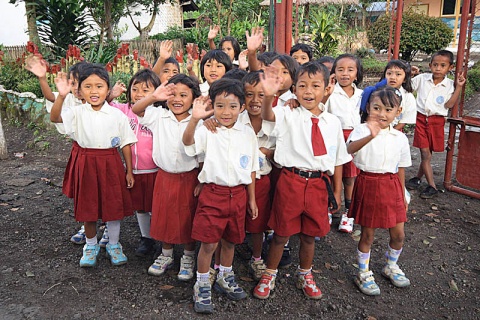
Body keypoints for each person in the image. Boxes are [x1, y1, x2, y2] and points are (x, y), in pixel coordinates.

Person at [253, 61, 351, 300]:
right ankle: (270, 273)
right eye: (303, 86)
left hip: (319, 184)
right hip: (291, 181)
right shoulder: (288, 113)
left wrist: (337, 192)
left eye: (315, 86)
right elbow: (268, 116)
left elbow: (338, 159)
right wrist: (268, 97)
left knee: (309, 235)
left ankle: (305, 273)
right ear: (294, 89)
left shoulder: (333, 123)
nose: (309, 91)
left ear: (328, 88)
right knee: (281, 233)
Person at [183, 78, 259, 314]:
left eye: (233, 106)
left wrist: (252, 199)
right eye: (220, 106)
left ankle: (225, 275)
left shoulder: (247, 133)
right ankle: (202, 283)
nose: (226, 112)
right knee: (208, 243)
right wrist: (196, 118)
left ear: (242, 107)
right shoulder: (207, 129)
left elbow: (252, 169)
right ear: (212, 106)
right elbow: (187, 144)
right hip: (212, 194)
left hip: (238, 195)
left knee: (231, 240)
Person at [50, 65, 137, 267]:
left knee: (113, 205)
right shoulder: (77, 112)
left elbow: (125, 142)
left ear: (108, 89)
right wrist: (61, 96)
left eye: (99, 86)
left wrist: (129, 170)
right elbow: (55, 118)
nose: (94, 91)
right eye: (88, 86)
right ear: (80, 91)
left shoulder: (117, 115)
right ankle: (90, 245)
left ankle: (114, 244)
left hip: (110, 162)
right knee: (88, 206)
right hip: (86, 163)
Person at [132, 74, 202, 281]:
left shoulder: (199, 120)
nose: (177, 99)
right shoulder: (158, 115)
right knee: (164, 216)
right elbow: (137, 109)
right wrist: (154, 96)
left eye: (183, 94)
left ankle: (188, 257)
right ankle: (166, 254)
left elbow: (203, 156)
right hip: (164, 175)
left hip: (190, 176)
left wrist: (202, 180)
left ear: (194, 98)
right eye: (172, 94)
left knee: (187, 216)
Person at [346, 86, 412, 296]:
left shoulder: (400, 137)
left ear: (398, 111)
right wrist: (370, 135)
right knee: (367, 234)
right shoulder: (361, 130)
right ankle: (363, 272)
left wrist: (403, 194)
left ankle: (390, 265)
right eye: (377, 108)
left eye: (388, 109)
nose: (382, 114)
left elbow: (401, 168)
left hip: (392, 185)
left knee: (399, 234)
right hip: (369, 183)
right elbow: (348, 150)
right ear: (368, 107)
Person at [107, 69, 162, 257]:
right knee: (140, 206)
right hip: (134, 171)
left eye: (145, 90)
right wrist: (110, 95)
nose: (139, 94)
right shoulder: (124, 110)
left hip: (156, 170)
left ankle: (160, 237)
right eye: (135, 89)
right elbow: (104, 108)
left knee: (156, 206)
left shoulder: (159, 113)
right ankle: (146, 238)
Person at [406, 50, 465, 198]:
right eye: (435, 65)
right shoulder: (422, 79)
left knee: (429, 153)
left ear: (450, 68)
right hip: (421, 119)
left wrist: (459, 87)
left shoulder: (450, 85)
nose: (438, 68)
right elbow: (408, 87)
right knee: (425, 153)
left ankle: (418, 178)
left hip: (437, 121)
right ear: (430, 65)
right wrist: (410, 74)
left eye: (442, 65)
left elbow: (449, 105)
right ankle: (432, 186)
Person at [325, 53, 364, 233]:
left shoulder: (362, 95)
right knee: (332, 176)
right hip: (334, 138)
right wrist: (327, 91)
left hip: (354, 139)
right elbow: (321, 111)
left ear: (357, 74)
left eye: (350, 70)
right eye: (340, 69)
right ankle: (330, 209)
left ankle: (348, 214)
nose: (345, 74)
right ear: (334, 72)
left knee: (350, 178)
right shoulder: (331, 93)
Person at [380, 59, 417, 131]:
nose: (392, 77)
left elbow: (404, 120)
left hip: (395, 130)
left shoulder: (408, 97)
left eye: (398, 74)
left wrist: (390, 132)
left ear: (405, 79)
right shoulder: (377, 93)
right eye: (389, 73)